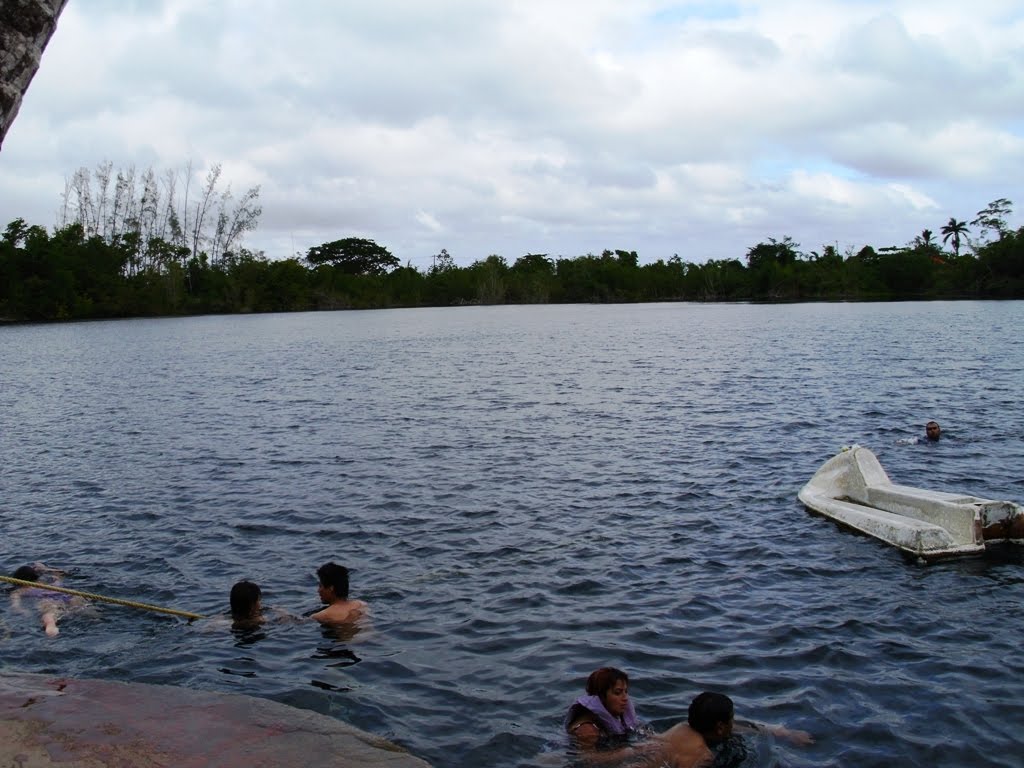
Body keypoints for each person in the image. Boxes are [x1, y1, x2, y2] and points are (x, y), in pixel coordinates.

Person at [658, 691, 813, 767]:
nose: (733, 724)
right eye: (731, 719)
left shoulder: (682, 727)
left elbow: (737, 727)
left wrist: (781, 733)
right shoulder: (701, 754)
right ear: (720, 727)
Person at [8, 563, 86, 637]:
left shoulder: (20, 591)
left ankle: (51, 630)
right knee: (85, 609)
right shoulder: (49, 582)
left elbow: (15, 605)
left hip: (49, 601)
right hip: (69, 595)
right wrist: (45, 569)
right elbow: (60, 573)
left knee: (49, 616)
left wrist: (22, 610)